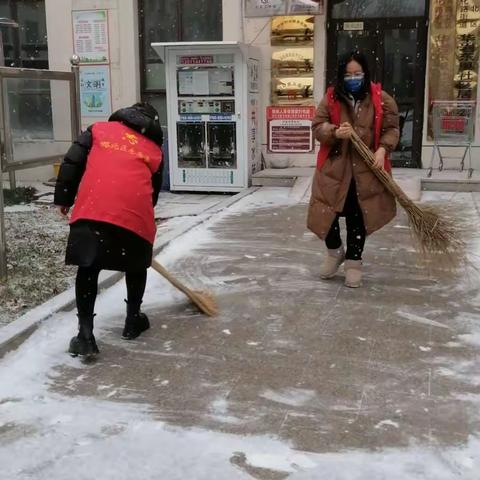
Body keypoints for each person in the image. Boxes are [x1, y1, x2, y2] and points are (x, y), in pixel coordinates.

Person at [54, 103, 163, 356]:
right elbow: (152, 193)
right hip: (134, 213)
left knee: (89, 267)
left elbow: (72, 162)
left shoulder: (98, 130)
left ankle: (85, 335)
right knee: (136, 265)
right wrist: (136, 215)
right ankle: (132, 321)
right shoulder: (153, 149)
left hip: (94, 208)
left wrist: (63, 198)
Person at [307, 51, 400, 287]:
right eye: (348, 74)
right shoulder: (331, 98)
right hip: (334, 169)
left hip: (365, 170)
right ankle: (334, 252)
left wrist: (382, 150)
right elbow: (317, 126)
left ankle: (354, 261)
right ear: (341, 75)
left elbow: (392, 129)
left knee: (359, 217)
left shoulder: (381, 99)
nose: (353, 78)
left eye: (357, 73)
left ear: (365, 73)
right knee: (326, 213)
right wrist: (334, 132)